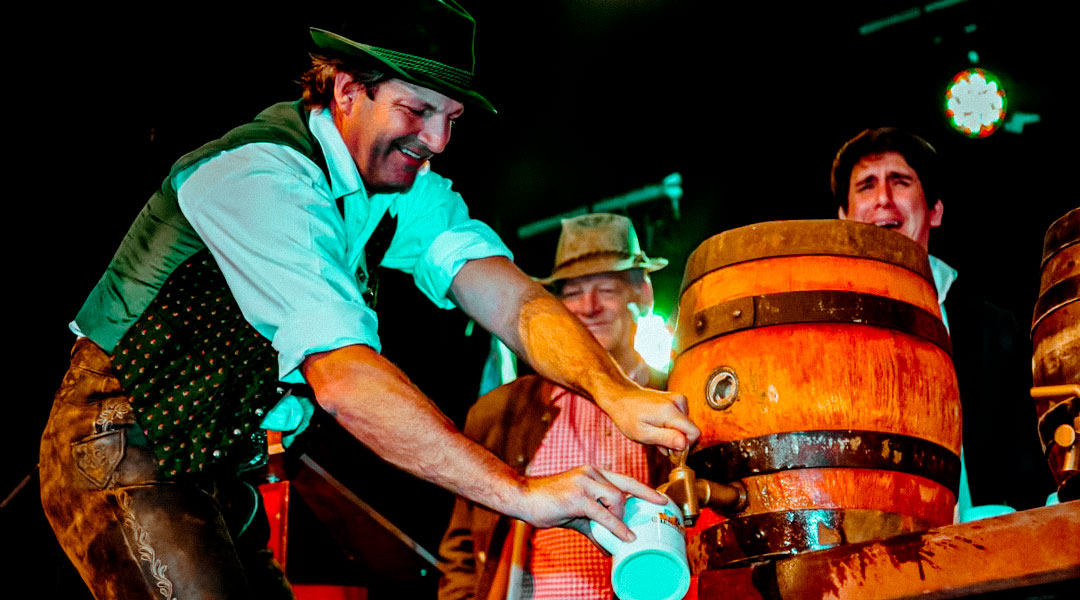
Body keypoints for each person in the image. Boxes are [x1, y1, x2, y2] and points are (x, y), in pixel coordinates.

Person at [38, 3, 699, 598]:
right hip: (122, 441)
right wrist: (520, 493)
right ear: (348, 91)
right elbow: (346, 380)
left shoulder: (405, 192)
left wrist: (616, 393)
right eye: (418, 112)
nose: (437, 142)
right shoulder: (262, 175)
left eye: (452, 119)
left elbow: (512, 296)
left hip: (213, 468)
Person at [438, 213, 673, 600]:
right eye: (574, 292)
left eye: (607, 289)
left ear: (642, 294)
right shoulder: (502, 412)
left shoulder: (675, 399)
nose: (589, 306)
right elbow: (462, 547)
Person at [832, 127, 1054, 518]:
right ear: (844, 219)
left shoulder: (995, 328)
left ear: (934, 210)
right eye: (866, 186)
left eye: (900, 181)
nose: (883, 199)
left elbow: (1036, 456)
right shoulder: (822, 330)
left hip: (992, 558)